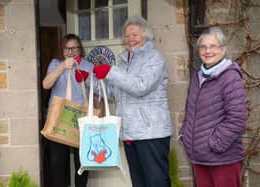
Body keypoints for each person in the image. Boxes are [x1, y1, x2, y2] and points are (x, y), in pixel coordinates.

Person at [93, 15, 173, 187]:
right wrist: (88, 80)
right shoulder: (124, 63)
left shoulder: (155, 58)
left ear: (146, 36)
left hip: (151, 133)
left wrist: (111, 71)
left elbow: (140, 86)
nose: (130, 39)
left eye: (134, 35)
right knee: (139, 182)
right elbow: (113, 93)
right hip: (131, 132)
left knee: (156, 182)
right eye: (127, 35)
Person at [179, 27, 247, 187]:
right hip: (200, 158)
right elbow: (191, 112)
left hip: (223, 158)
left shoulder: (230, 77)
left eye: (213, 46)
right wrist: (185, 135)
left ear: (223, 49)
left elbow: (237, 119)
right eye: (203, 47)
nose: (207, 51)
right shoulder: (198, 76)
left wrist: (214, 144)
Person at [42, 33, 92, 187]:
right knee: (57, 163)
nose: (71, 52)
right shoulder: (55, 63)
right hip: (58, 117)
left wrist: (99, 113)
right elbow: (46, 84)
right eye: (67, 48)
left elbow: (96, 93)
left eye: (75, 48)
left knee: (82, 164)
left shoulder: (88, 66)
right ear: (62, 50)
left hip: (81, 119)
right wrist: (63, 66)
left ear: (80, 49)